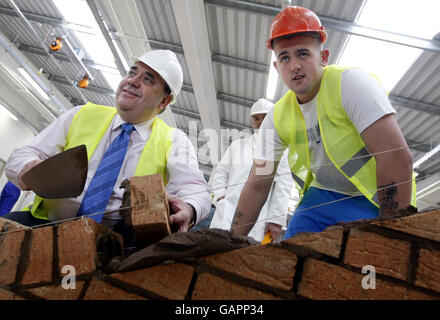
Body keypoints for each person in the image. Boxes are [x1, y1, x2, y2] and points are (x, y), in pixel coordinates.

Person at [230, 6, 416, 240]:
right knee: (292, 256)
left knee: (365, 266)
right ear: (277, 68)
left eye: (303, 54)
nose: (294, 65)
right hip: (321, 198)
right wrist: (230, 239)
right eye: (285, 57)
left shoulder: (351, 85)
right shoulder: (276, 118)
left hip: (374, 198)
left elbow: (396, 157)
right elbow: (258, 183)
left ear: (324, 57)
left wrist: (389, 235)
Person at [4, 50, 211, 238]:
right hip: (45, 224)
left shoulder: (174, 140)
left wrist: (190, 208)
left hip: (113, 244)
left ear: (164, 102)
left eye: (147, 80)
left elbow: (196, 190)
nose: (133, 81)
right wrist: (28, 167)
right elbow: (23, 154)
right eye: (132, 73)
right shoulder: (82, 114)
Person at [209, 98, 293, 242]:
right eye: (256, 118)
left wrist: (275, 220)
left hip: (258, 220)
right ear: (252, 122)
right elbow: (220, 172)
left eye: (265, 117)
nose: (260, 121)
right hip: (225, 211)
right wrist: (220, 197)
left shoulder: (282, 151)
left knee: (243, 257)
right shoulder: (237, 146)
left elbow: (284, 186)